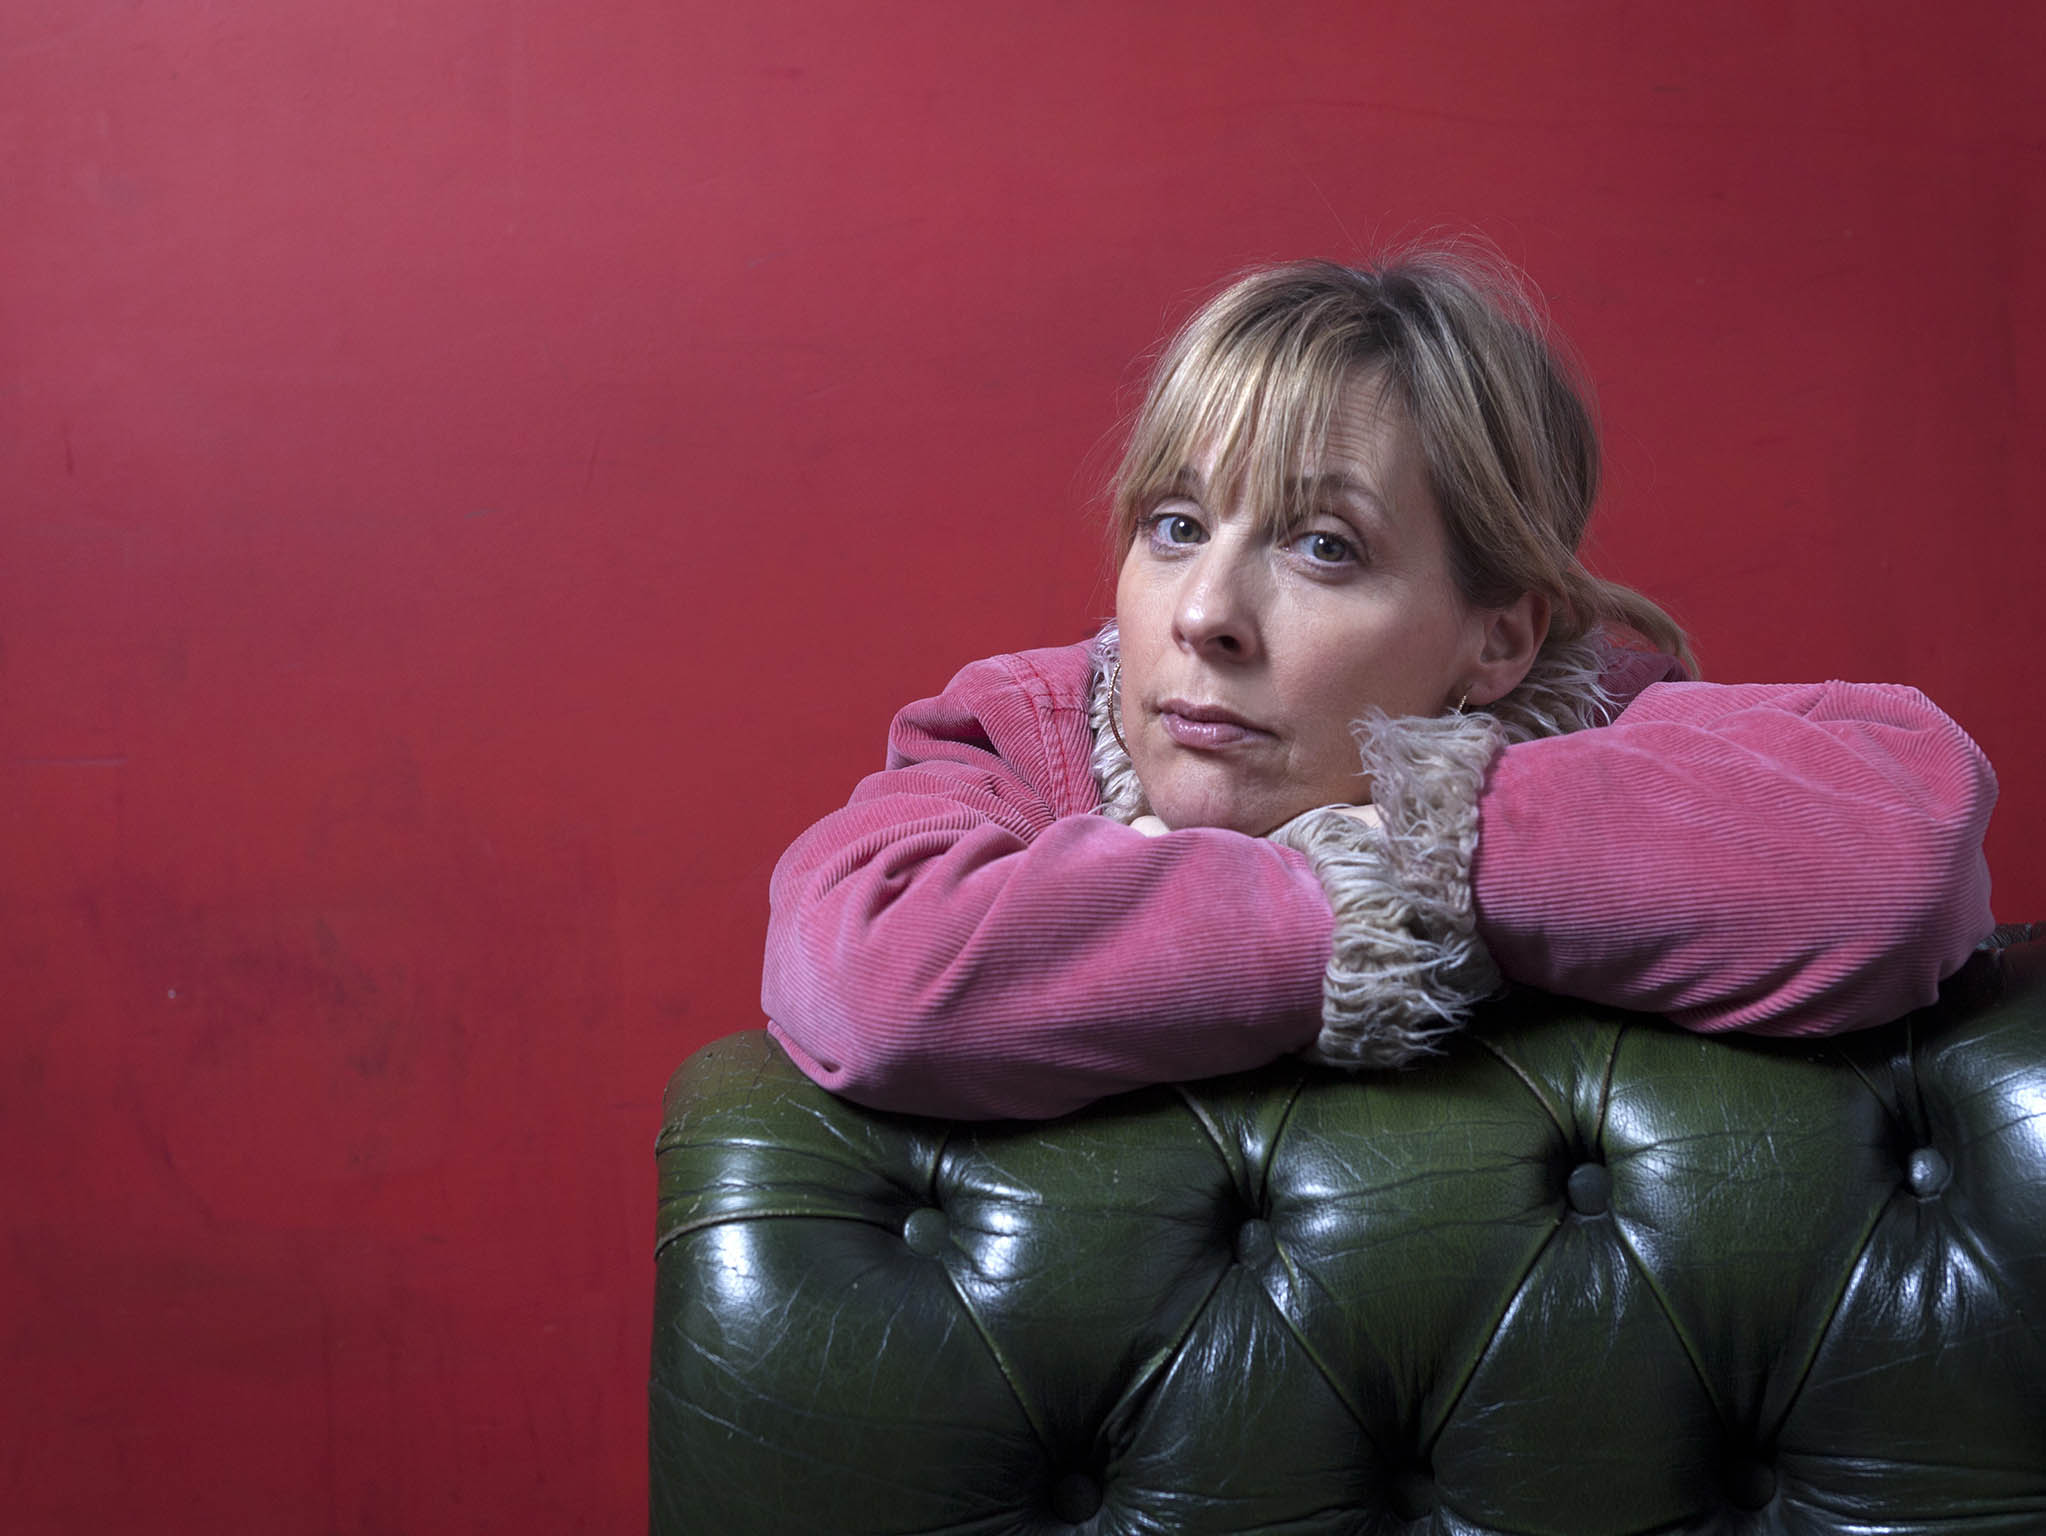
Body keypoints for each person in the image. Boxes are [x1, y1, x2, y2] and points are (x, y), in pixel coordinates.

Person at [762, 252, 1997, 1120]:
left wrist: (1431, 841)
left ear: (1498, 642)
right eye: (1177, 524)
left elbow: (1905, 849)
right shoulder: (1018, 737)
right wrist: (1347, 903)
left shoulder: (1588, 717)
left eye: (1324, 546)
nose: (1202, 616)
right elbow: (877, 983)